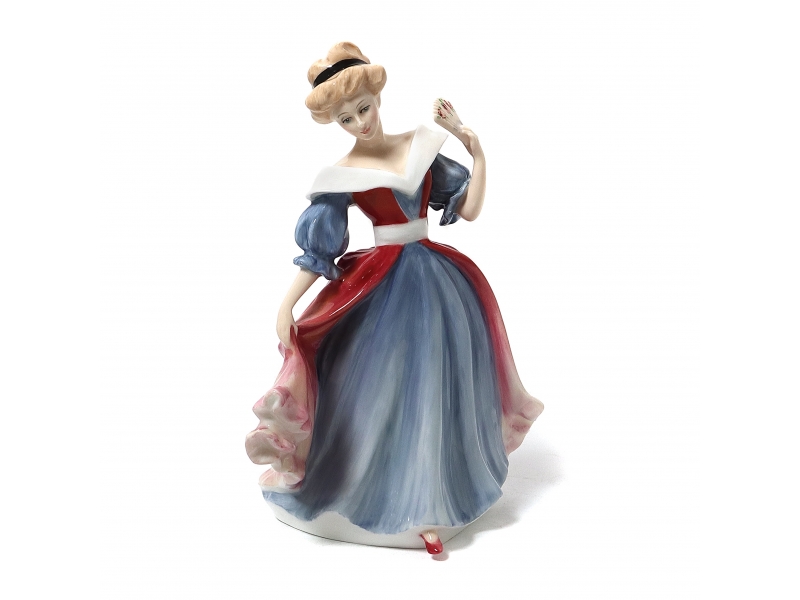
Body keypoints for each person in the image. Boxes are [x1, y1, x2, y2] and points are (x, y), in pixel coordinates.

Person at [245, 42, 543, 554]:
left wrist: (474, 147)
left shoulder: (421, 146)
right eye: (346, 118)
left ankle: (433, 500)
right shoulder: (342, 176)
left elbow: (468, 210)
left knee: (435, 387)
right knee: (376, 386)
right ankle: (379, 491)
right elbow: (319, 251)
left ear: (377, 97)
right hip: (379, 283)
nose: (360, 123)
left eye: (363, 108)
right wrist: (286, 304)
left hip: (437, 280)